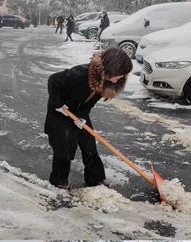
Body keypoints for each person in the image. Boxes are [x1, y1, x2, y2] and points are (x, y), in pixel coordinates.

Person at [44, 48, 133, 189]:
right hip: (61, 111)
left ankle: (95, 179)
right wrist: (58, 104)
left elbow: (89, 101)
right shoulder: (80, 74)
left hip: (78, 113)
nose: (120, 79)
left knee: (89, 144)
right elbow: (53, 80)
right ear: (109, 69)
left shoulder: (106, 82)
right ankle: (59, 181)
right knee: (65, 146)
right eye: (119, 75)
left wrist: (82, 116)